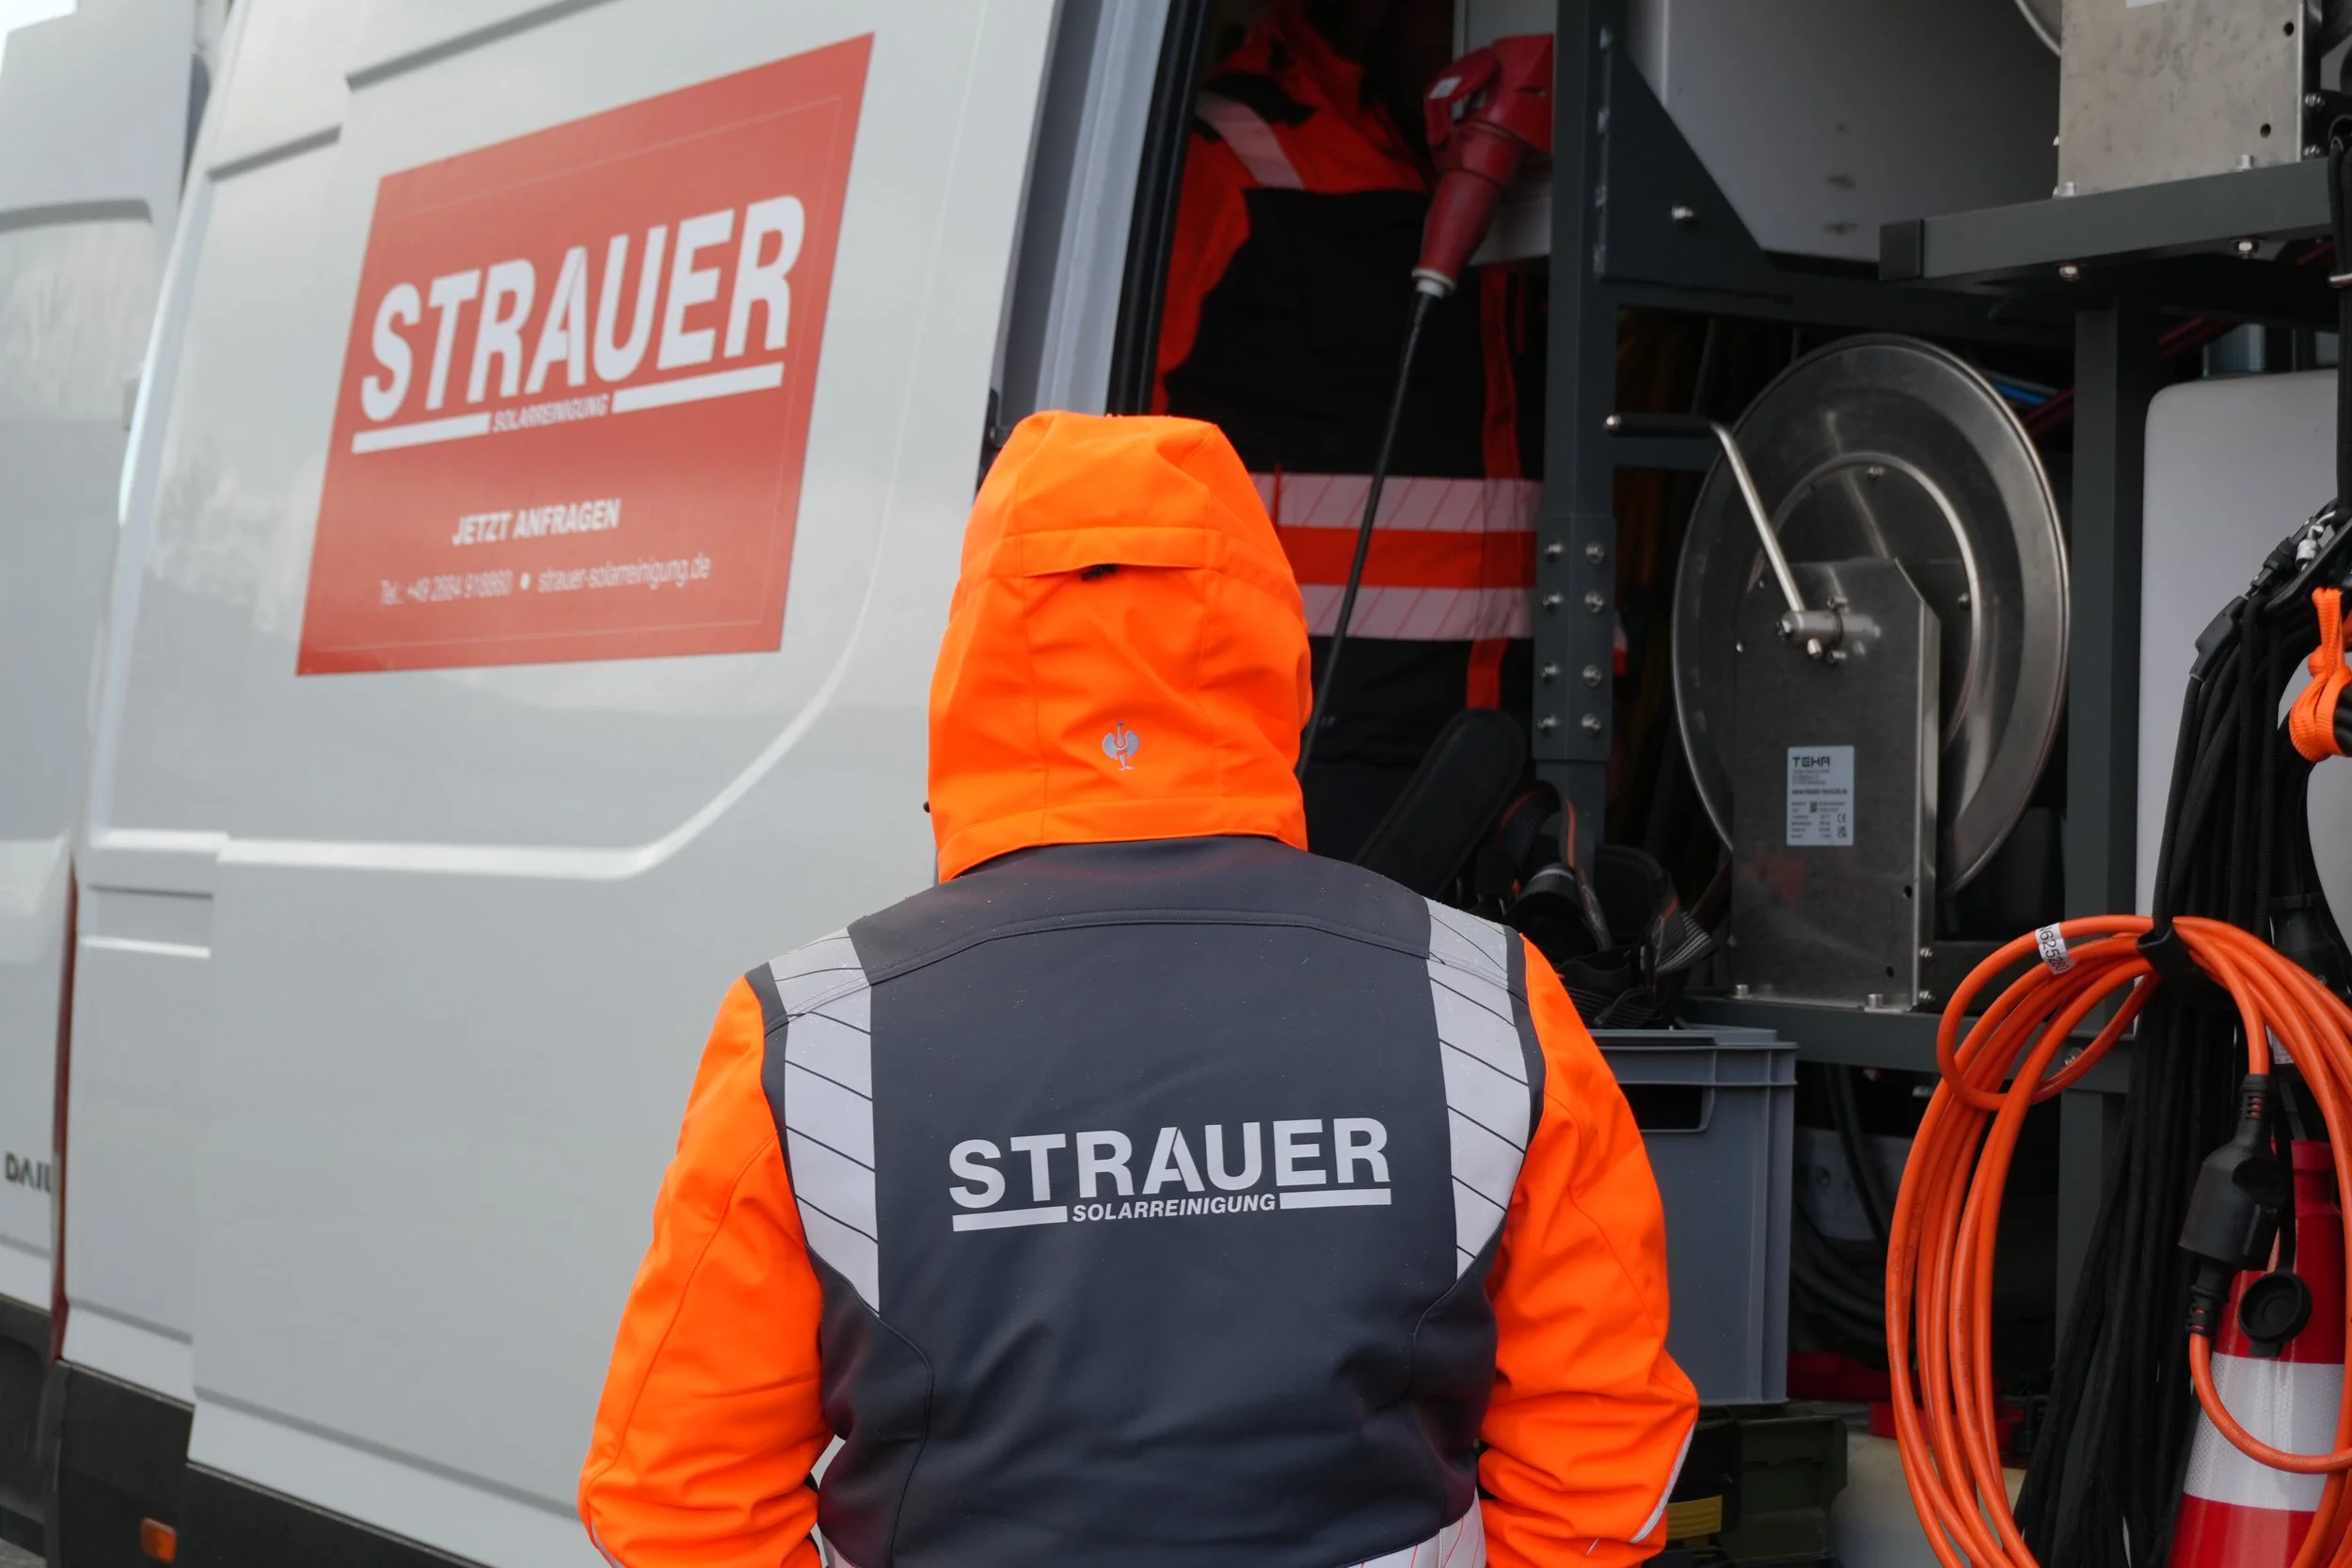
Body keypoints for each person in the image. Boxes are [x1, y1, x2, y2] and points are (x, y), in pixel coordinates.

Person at [578, 413, 1694, 1568]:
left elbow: (677, 1500)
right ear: (1265, 636)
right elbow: (1600, 1467)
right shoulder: (1486, 1002)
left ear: (975, 650)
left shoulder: (811, 1034)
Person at [1157, 0, 1544, 860]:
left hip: (1511, 760)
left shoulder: (1514, 167)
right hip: (1303, 770)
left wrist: (1602, 687)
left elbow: (1545, 475)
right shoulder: (1224, 156)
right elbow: (1112, 477)